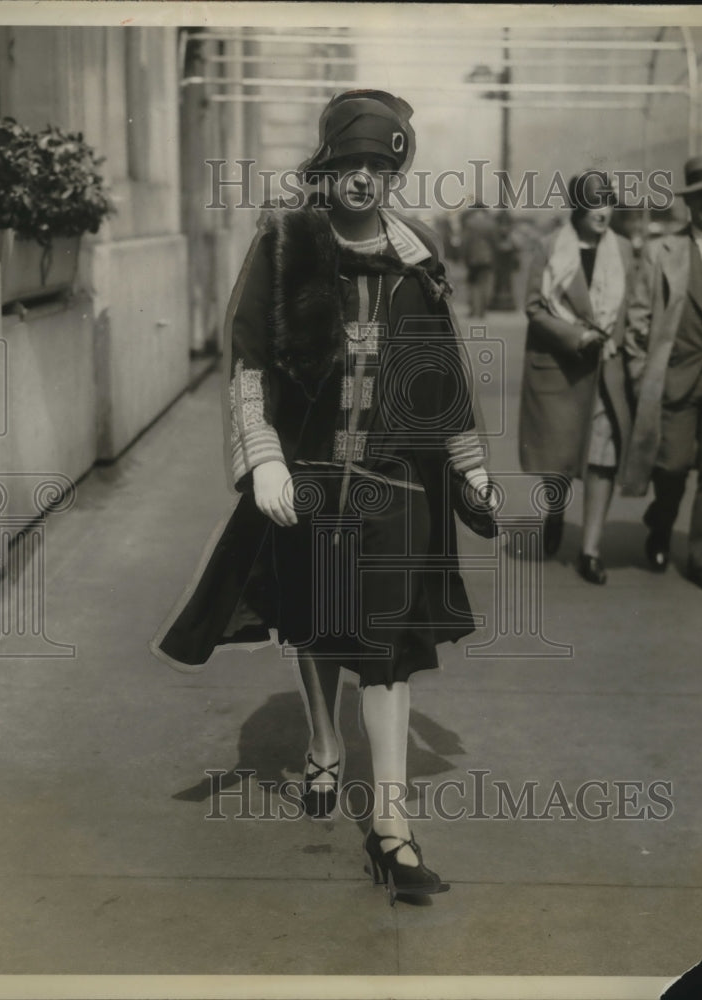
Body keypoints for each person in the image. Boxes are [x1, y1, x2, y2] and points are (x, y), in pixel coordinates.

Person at [153, 90, 498, 904]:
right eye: (350, 165)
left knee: (384, 649)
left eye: (381, 166)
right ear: (327, 169)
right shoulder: (286, 247)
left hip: (397, 489)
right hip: (309, 482)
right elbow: (247, 366)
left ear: (394, 173)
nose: (363, 181)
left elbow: (441, 378)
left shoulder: (419, 259)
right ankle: (319, 741)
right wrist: (263, 459)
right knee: (315, 621)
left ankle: (391, 825)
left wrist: (470, 466)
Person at [518, 170, 634, 584]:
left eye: (608, 202)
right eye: (594, 203)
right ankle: (554, 509)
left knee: (602, 459)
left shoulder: (623, 250)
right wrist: (577, 335)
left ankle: (590, 550)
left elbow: (632, 310)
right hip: (562, 369)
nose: (603, 211)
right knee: (559, 460)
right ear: (578, 207)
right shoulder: (550, 248)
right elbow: (534, 307)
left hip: (607, 370)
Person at [622, 154, 702, 593]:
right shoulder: (665, 251)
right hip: (676, 378)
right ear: (688, 203)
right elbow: (638, 317)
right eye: (701, 197)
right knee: (674, 467)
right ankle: (660, 526)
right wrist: (642, 374)